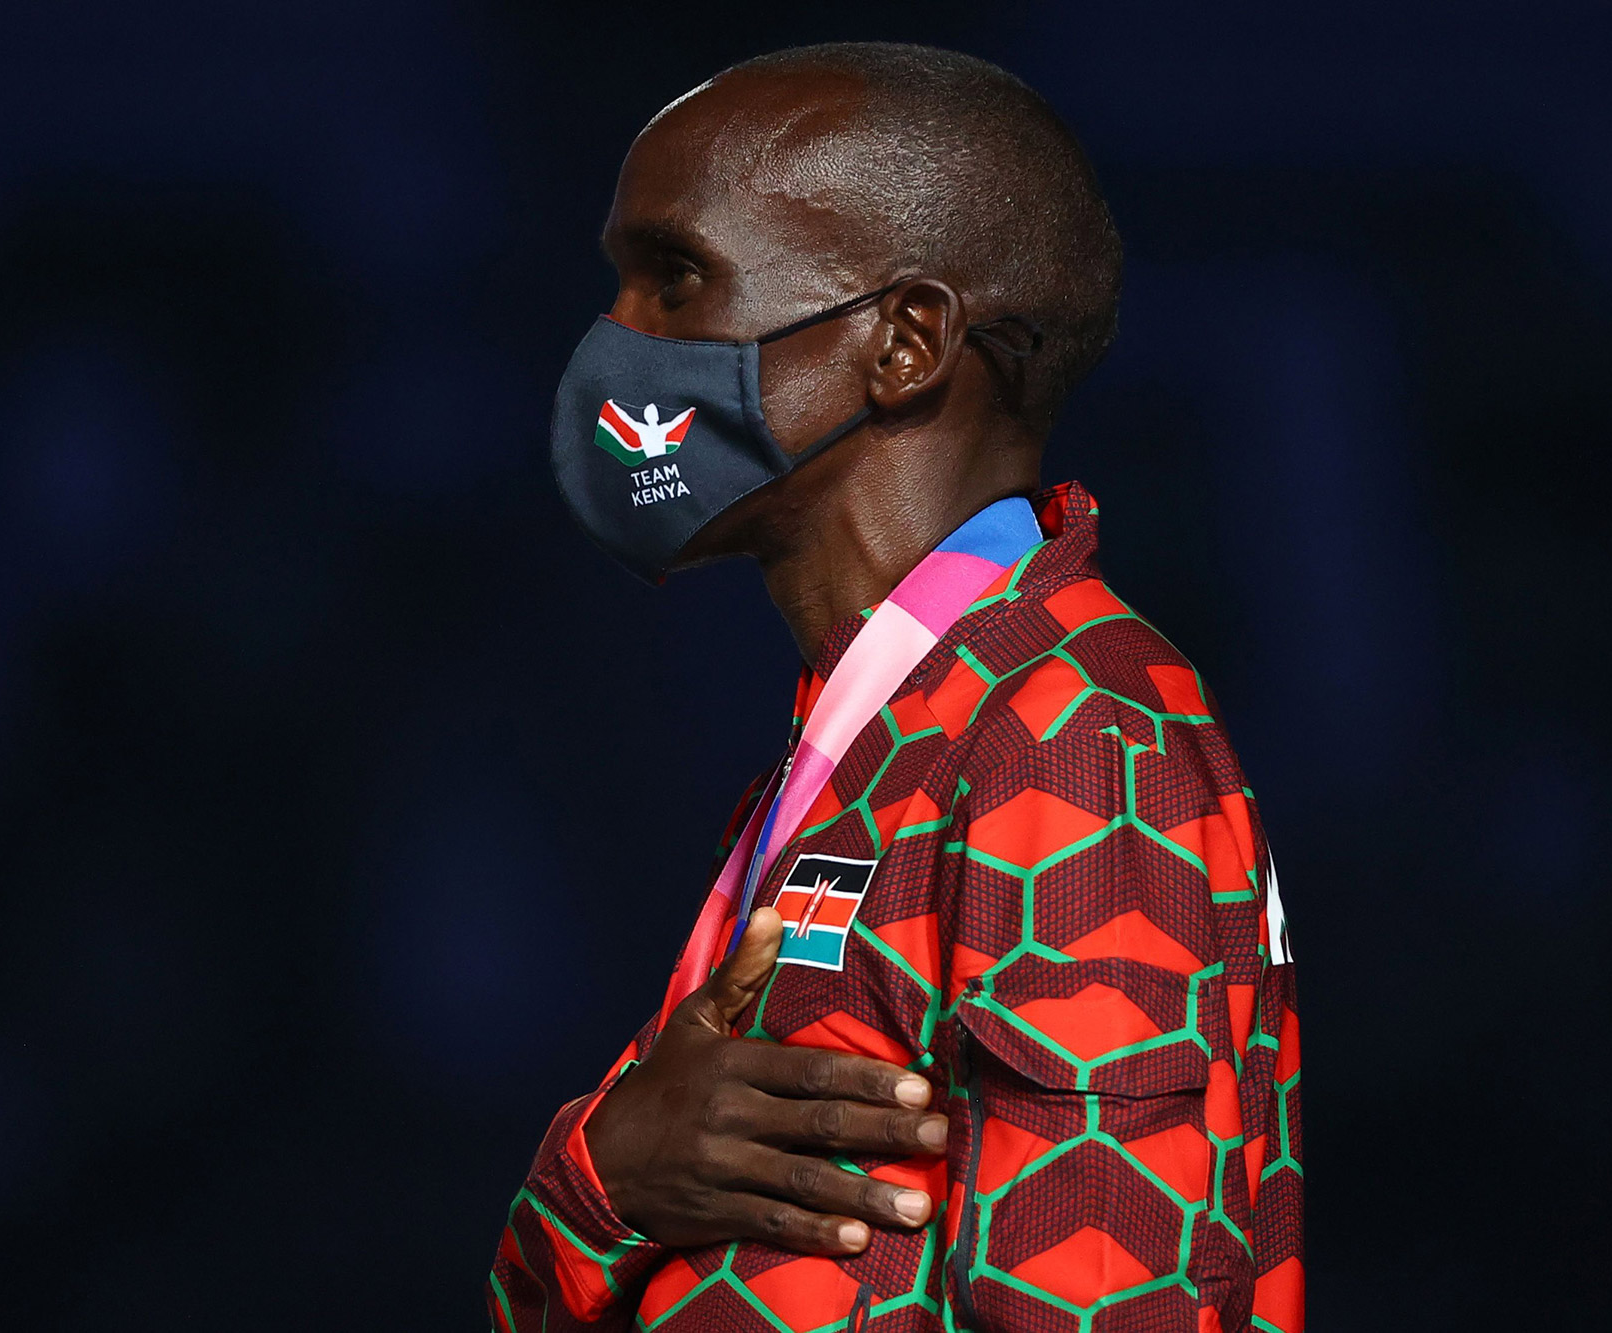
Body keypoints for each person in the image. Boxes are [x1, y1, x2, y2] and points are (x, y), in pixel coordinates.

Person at [493, 42, 1302, 1333]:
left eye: (676, 279)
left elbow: (1097, 1298)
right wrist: (603, 1175)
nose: (619, 343)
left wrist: (599, 1183)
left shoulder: (1074, 724)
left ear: (907, 340)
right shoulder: (880, 729)